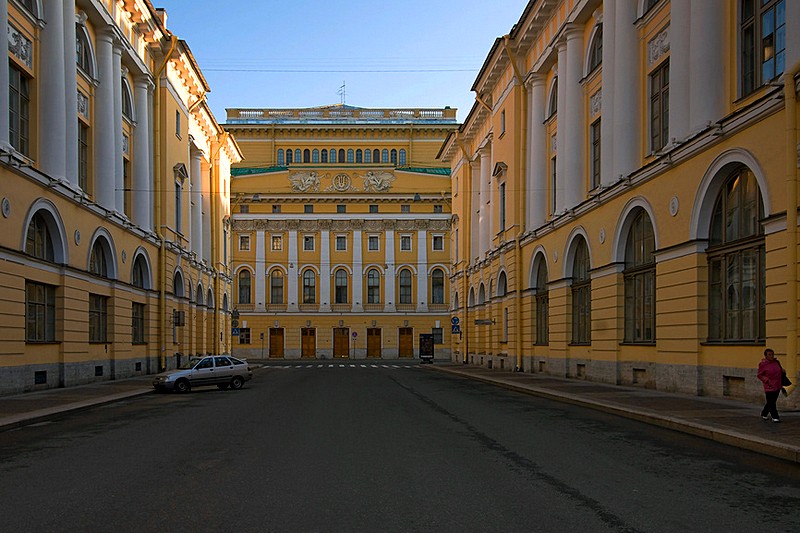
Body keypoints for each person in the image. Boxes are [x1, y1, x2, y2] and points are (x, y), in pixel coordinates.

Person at [757, 348, 784, 423]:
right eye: (769, 355)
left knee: (771, 401)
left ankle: (764, 413)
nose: (771, 356)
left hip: (777, 384)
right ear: (765, 356)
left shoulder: (776, 362)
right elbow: (759, 375)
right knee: (771, 402)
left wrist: (782, 371)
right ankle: (775, 417)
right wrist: (767, 380)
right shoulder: (763, 364)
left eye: (772, 354)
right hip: (769, 385)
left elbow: (780, 370)